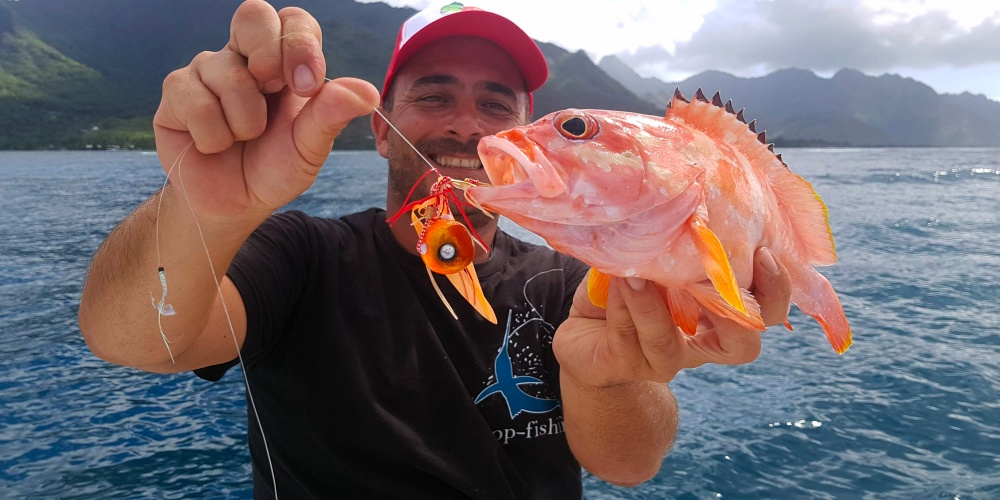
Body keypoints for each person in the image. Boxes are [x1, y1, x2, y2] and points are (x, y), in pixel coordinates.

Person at [78, 1, 792, 498]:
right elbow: (135, 338)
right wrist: (200, 207)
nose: (464, 128)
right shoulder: (304, 256)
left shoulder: (570, 281)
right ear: (383, 129)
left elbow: (630, 463)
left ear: (522, 133)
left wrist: (608, 378)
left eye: (494, 105)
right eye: (434, 97)